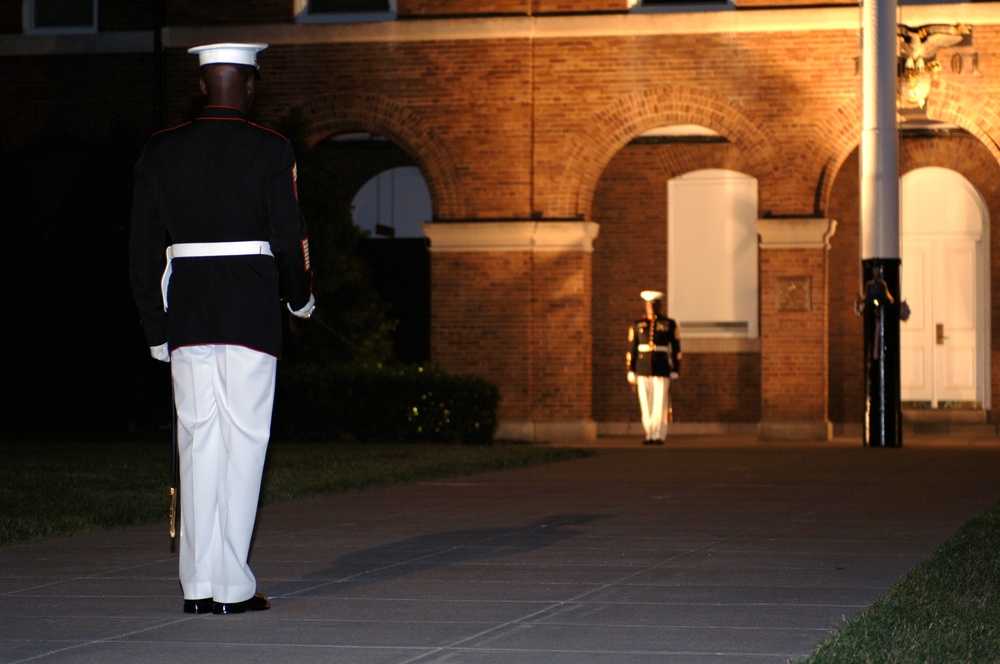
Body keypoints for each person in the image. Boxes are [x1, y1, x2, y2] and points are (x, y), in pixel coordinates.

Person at [129, 42, 315, 615]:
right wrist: (301, 299)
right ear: (251, 85)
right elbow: (289, 235)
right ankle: (231, 586)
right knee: (244, 443)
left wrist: (155, 326)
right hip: (250, 310)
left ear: (203, 84)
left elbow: (141, 247)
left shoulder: (162, 149)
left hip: (187, 312)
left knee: (197, 442)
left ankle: (197, 585)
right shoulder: (270, 147)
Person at [627, 290, 681, 445]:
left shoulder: (669, 324)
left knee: (660, 402)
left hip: (661, 367)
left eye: (654, 304)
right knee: (645, 402)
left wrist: (676, 368)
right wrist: (631, 369)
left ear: (659, 306)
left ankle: (658, 434)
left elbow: (676, 348)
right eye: (649, 305)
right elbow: (632, 348)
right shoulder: (638, 324)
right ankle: (649, 433)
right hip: (642, 367)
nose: (651, 307)